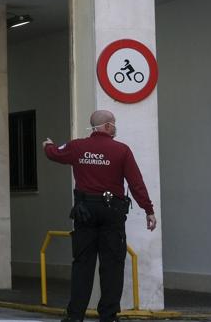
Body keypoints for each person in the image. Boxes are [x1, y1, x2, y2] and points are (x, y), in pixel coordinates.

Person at [43, 109, 157, 322]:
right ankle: (109, 316)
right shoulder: (121, 151)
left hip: (85, 212)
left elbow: (54, 153)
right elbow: (136, 183)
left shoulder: (77, 147)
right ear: (106, 126)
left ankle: (75, 316)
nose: (115, 126)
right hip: (112, 213)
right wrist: (148, 210)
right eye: (113, 123)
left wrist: (47, 145)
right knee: (112, 265)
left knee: (82, 265)